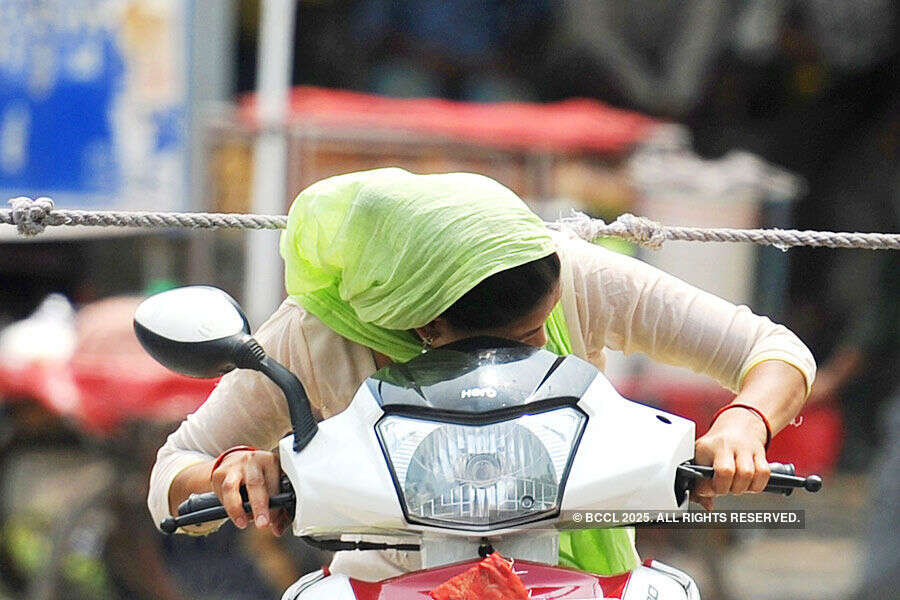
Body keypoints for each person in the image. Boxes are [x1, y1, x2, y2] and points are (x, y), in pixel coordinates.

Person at [148, 168, 814, 582]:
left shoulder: (575, 273)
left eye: (542, 329)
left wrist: (744, 423)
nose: (537, 343)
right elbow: (174, 469)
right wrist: (232, 471)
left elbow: (772, 350)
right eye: (525, 339)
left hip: (591, 574)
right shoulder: (315, 334)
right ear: (421, 327)